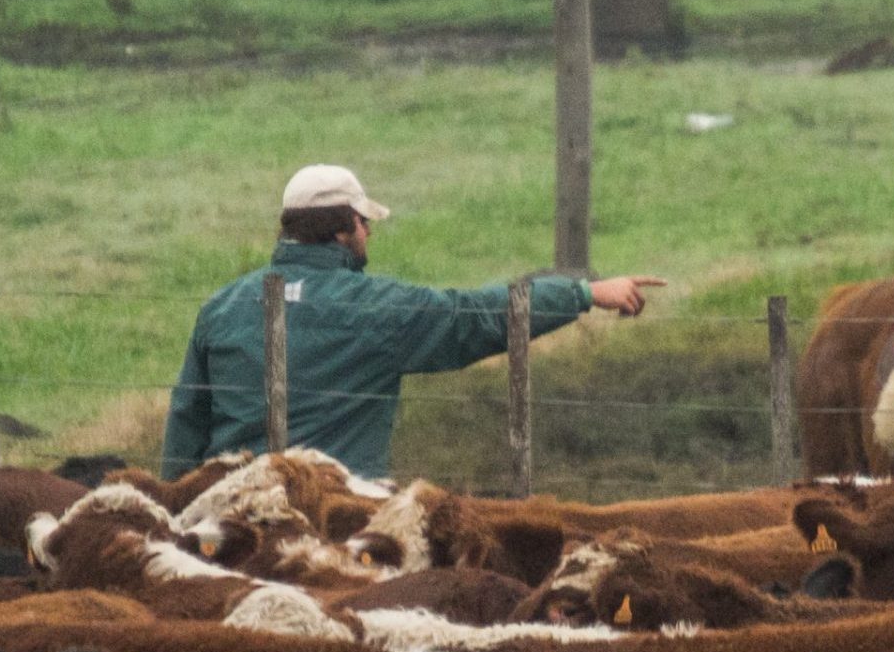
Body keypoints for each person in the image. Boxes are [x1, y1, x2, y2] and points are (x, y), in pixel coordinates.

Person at [160, 164, 660, 480]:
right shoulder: (381, 310)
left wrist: (176, 514)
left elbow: (186, 422)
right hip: (338, 511)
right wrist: (584, 293)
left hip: (231, 512)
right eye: (364, 222)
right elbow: (478, 318)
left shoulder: (222, 306)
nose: (369, 233)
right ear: (342, 229)